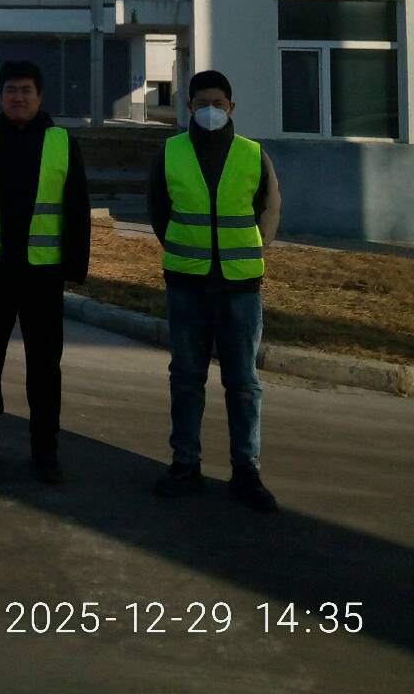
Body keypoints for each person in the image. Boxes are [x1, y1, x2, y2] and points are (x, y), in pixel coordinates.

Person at [0, 60, 90, 483]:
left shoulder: (63, 143)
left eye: (26, 90)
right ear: (0, 95)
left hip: (42, 276)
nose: (18, 97)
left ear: (40, 96)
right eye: (11, 90)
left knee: (44, 370)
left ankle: (45, 452)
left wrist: (75, 266)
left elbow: (77, 208)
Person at [149, 69, 281, 512]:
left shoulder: (253, 154)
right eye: (202, 104)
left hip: (240, 287)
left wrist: (248, 253)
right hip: (187, 284)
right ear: (188, 107)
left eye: (218, 104)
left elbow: (268, 211)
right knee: (186, 378)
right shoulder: (170, 153)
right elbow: (158, 210)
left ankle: (246, 470)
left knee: (243, 382)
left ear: (231, 107)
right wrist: (187, 250)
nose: (211, 111)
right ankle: (185, 463)